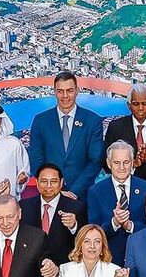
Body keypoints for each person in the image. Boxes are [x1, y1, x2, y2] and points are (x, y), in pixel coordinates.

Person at [28, 72, 106, 203]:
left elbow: (95, 161)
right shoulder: (41, 121)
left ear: (77, 91)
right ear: (54, 92)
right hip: (49, 196)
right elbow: (36, 159)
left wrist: (74, 191)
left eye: (69, 90)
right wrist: (53, 188)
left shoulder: (92, 120)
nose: (65, 96)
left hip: (82, 197)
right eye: (60, 91)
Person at [86, 140, 146, 262]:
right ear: (109, 163)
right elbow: (93, 231)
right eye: (117, 163)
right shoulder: (96, 192)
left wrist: (130, 226)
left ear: (133, 162)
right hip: (109, 260)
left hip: (142, 259)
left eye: (126, 162)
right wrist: (115, 222)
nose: (122, 167)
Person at [21, 163, 83, 261]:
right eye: (44, 181)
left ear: (61, 182)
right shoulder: (24, 206)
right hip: (30, 267)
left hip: (63, 266)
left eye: (53, 181)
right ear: (36, 182)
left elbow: (83, 239)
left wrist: (73, 226)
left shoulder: (76, 207)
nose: (48, 186)